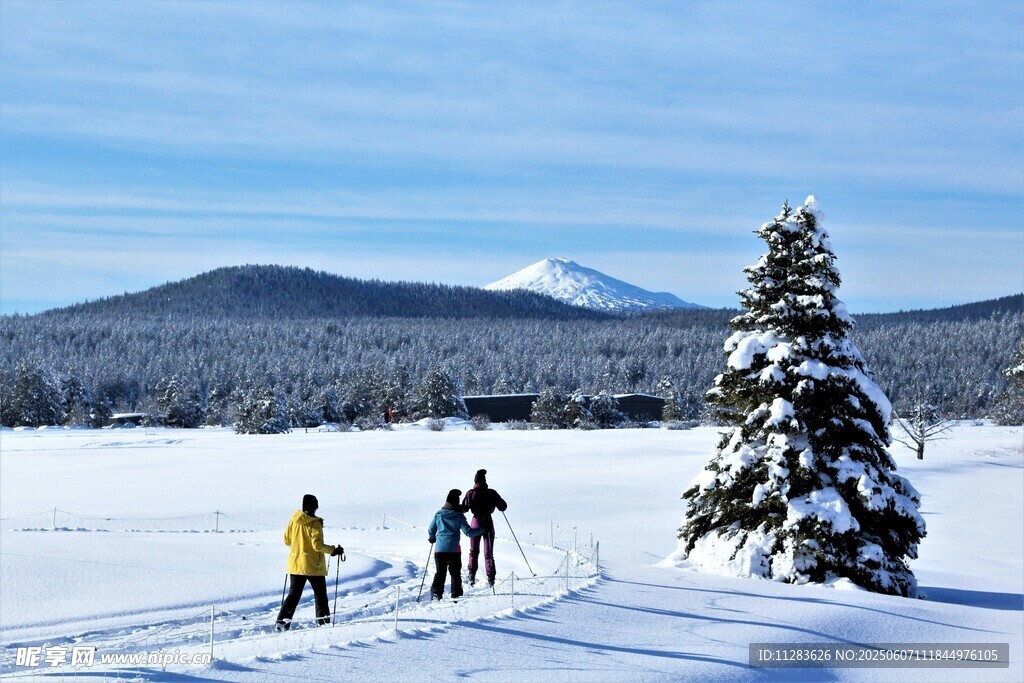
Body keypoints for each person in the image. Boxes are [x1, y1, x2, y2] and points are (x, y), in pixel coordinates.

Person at [275, 494, 344, 631]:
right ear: (315, 506)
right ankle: (323, 623)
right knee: (320, 596)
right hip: (313, 566)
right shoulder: (314, 523)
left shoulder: (294, 520)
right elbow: (317, 546)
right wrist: (334, 551)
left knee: (293, 596)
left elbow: (286, 540)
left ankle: (281, 623)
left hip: (295, 564)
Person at [427, 488, 483, 601]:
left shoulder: (438, 514)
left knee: (440, 573)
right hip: (454, 550)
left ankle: (436, 594)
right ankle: (456, 594)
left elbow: (431, 529)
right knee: (455, 573)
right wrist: (482, 530)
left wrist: (432, 538)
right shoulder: (459, 516)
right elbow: (468, 532)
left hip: (440, 549)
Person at [461, 469, 507, 588]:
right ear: (485, 480)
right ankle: (491, 579)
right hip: (488, 522)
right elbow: (503, 506)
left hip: (475, 521)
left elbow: (464, 508)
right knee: (488, 553)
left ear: (475, 481)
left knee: (473, 551)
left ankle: (471, 576)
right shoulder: (491, 493)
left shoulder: (471, 493)